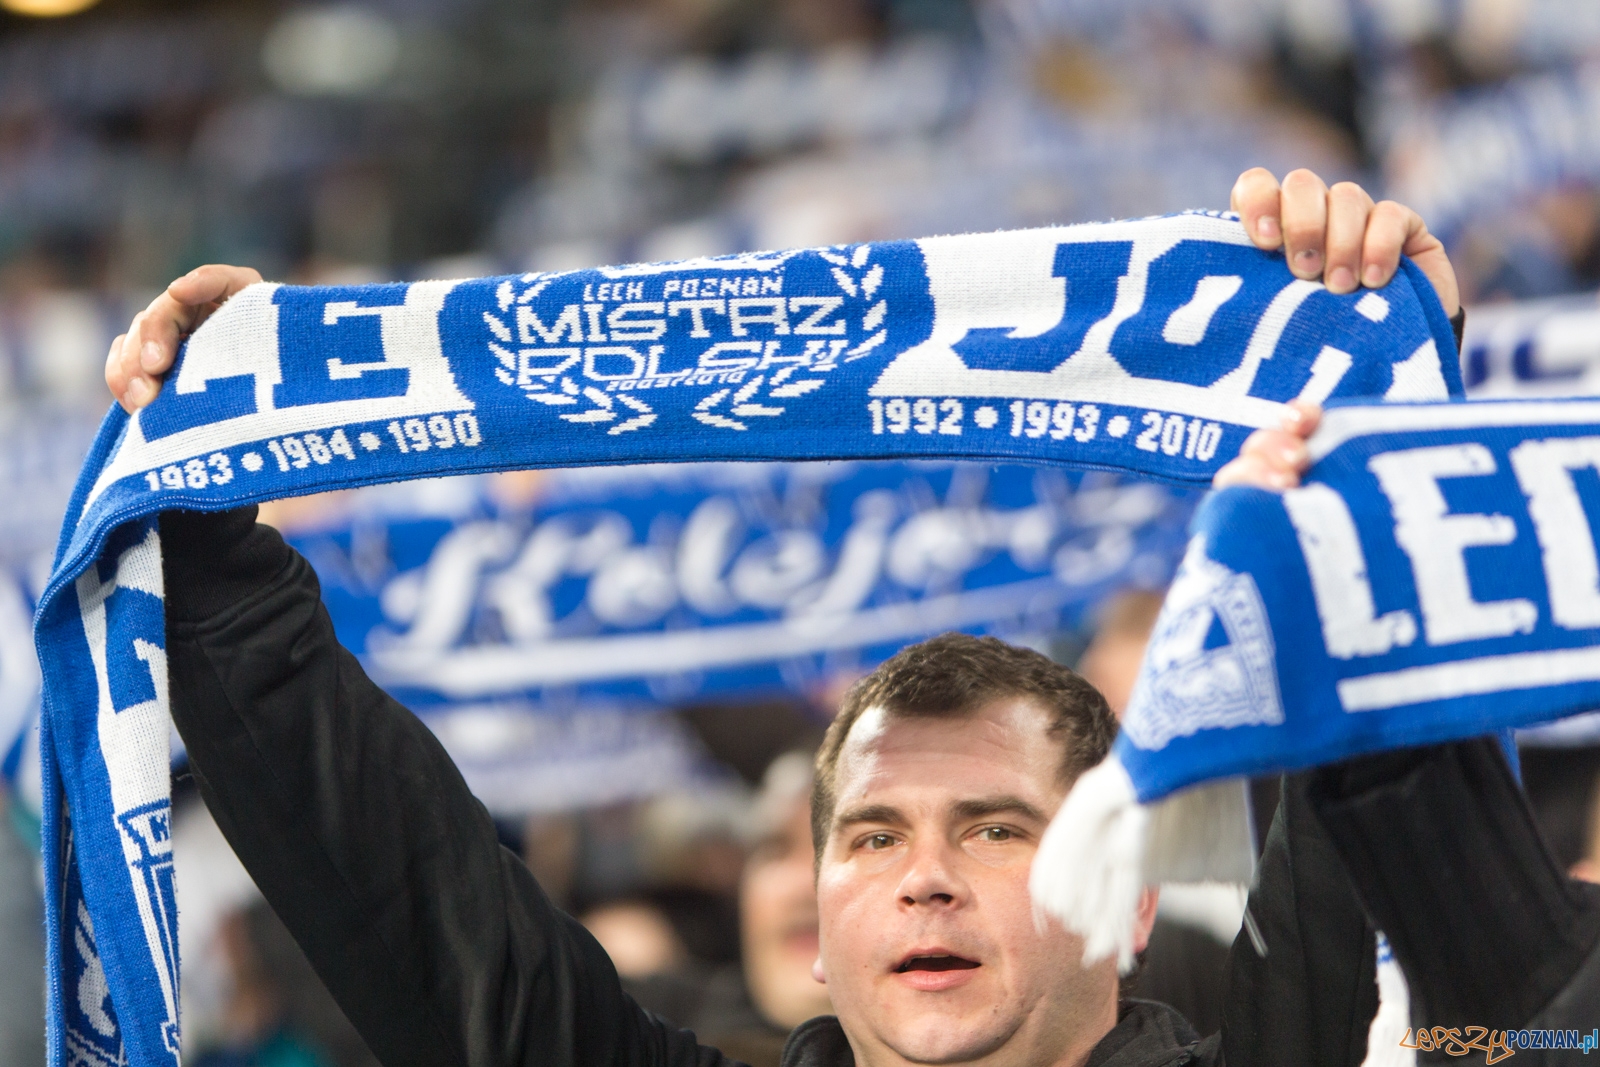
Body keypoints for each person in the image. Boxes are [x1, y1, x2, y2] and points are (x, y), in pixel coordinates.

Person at [106, 169, 1600, 1067]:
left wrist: (1370, 436)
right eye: (871, 838)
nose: (926, 881)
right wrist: (218, 532)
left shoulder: (1326, 1043)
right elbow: (415, 902)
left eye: (1001, 829)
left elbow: (1528, 1014)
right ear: (820, 928)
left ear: (1135, 903)